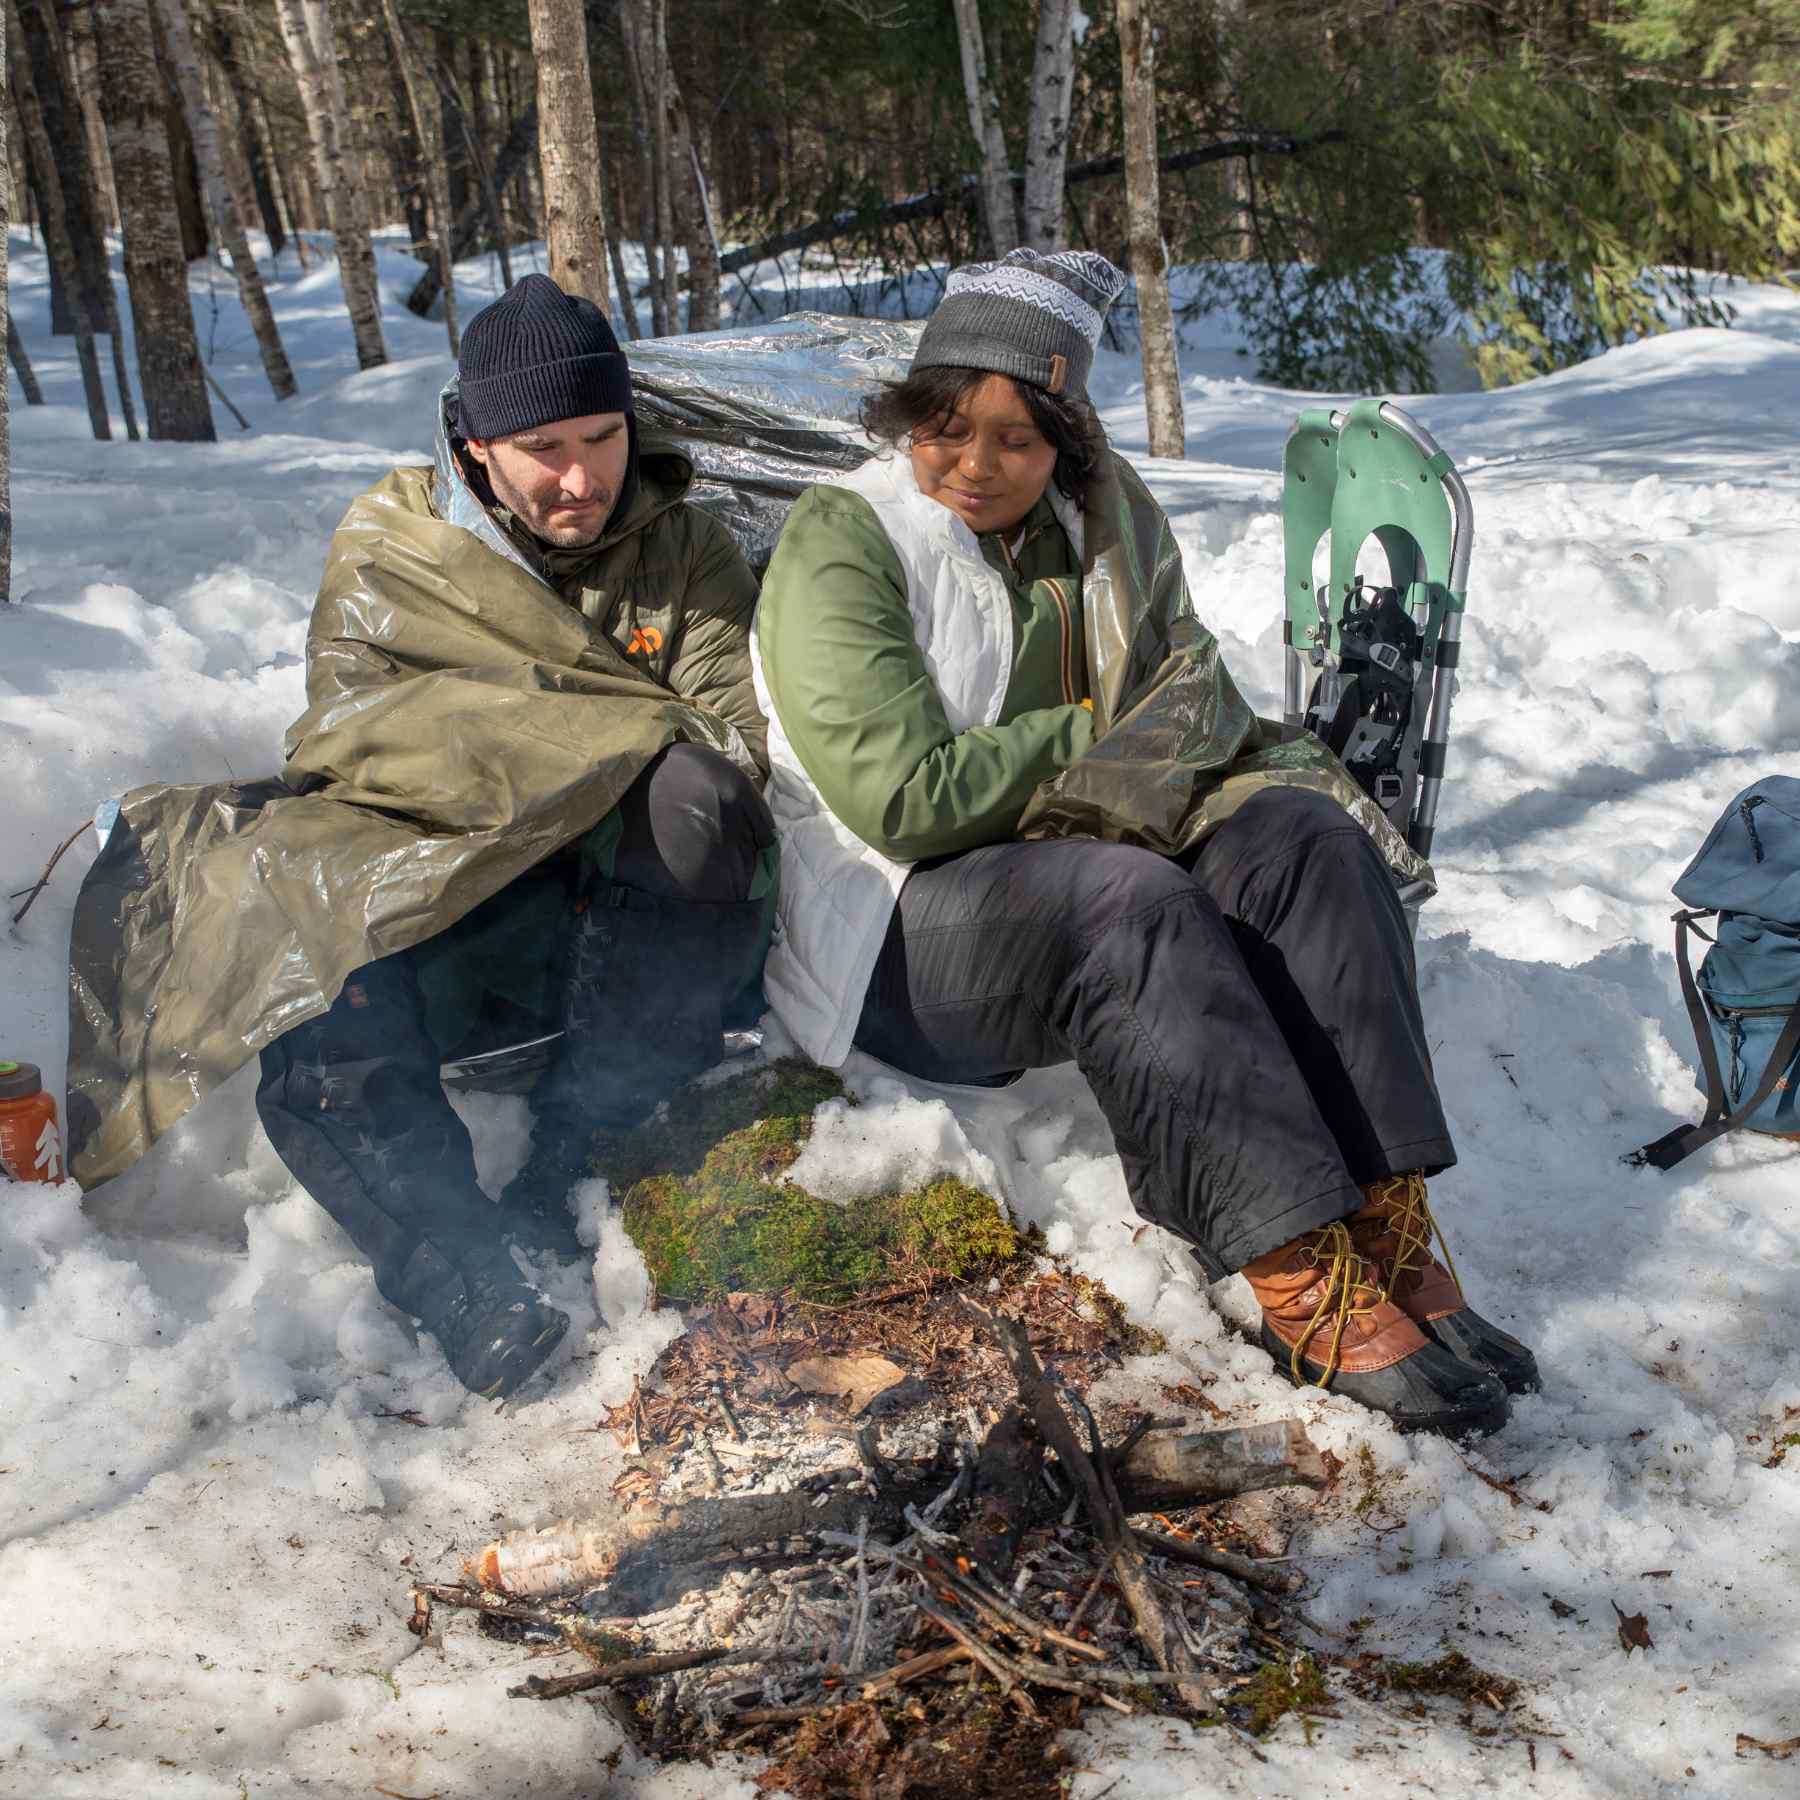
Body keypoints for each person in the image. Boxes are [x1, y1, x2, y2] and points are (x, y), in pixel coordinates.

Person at [752, 249, 1537, 1436]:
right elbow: (903, 797)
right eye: (949, 428)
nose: (975, 464)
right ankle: (1289, 1271)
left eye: (1016, 440)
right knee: (1125, 897)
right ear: (911, 417)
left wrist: (1136, 756)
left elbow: (1196, 706)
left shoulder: (1106, 523)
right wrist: (1089, 731)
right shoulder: (847, 540)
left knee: (1306, 841)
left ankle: (1386, 1224)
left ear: (1065, 444)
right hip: (898, 933)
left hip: (1072, 854)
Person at [246, 274, 775, 1399]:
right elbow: (355, 748)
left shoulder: (683, 551)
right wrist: (561, 740)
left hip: (624, 924)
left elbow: (733, 742)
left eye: (603, 435)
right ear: (477, 445)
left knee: (698, 798)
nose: (581, 476)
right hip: (449, 905)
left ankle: (586, 1149)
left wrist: (546, 742)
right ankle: (459, 1273)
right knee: (293, 901)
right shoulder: (400, 544)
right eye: (542, 445)